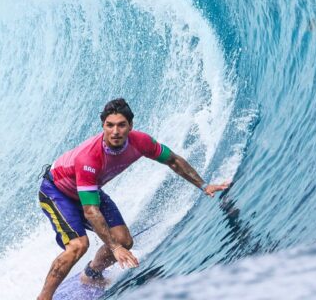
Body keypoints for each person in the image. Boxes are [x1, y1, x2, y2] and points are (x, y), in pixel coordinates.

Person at [36, 98, 230, 300]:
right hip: (57, 191)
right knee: (78, 245)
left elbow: (173, 160)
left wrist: (204, 185)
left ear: (130, 125)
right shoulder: (89, 158)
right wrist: (114, 248)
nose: (115, 131)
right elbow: (90, 211)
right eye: (109, 125)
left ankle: (92, 274)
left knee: (124, 240)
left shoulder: (140, 142)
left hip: (88, 191)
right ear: (103, 126)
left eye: (121, 125)